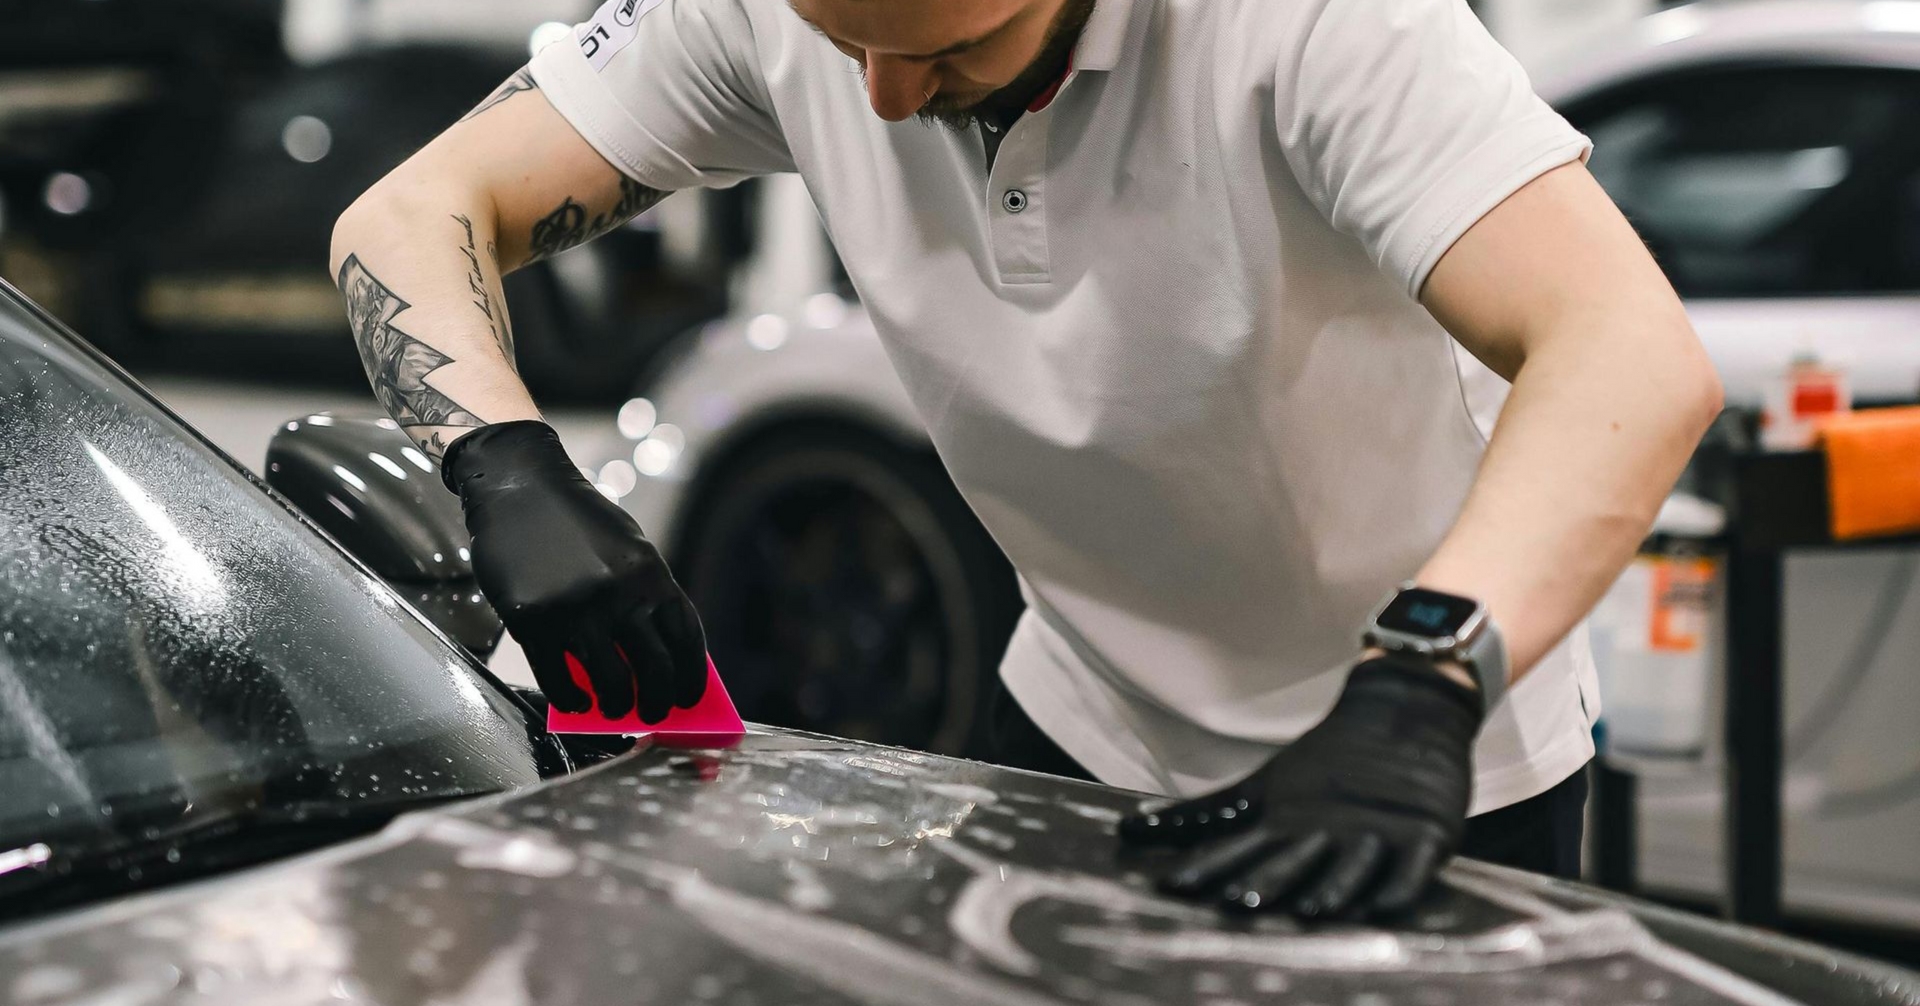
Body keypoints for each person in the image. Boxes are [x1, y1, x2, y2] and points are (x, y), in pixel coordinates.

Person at [330, 0, 1721, 921]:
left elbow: (1626, 353)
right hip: (1077, 723)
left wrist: (1422, 684)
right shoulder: (775, 15)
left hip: (1405, 768)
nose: (881, 101)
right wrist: (503, 462)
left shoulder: (1317, 25)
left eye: (947, 47)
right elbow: (407, 215)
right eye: (843, 37)